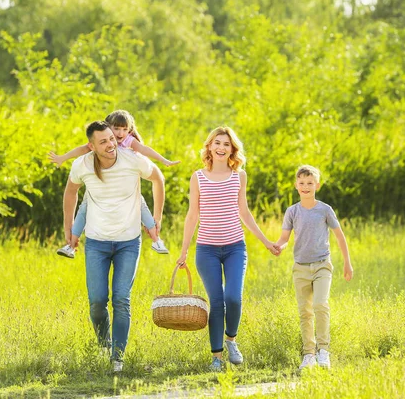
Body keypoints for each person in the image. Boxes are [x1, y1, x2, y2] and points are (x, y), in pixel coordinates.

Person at [63, 120, 165, 373]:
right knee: (97, 301)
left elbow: (158, 178)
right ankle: (103, 343)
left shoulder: (132, 159)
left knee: (121, 299)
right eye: (104, 141)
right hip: (96, 243)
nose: (111, 144)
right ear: (91, 146)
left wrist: (158, 216)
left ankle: (117, 358)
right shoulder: (83, 164)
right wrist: (68, 228)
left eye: (112, 138)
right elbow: (70, 192)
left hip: (128, 243)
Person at [176, 126, 278, 372]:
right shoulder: (198, 176)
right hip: (206, 250)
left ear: (232, 149)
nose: (221, 148)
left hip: (235, 248)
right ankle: (216, 357)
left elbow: (244, 212)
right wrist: (183, 251)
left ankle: (231, 339)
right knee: (217, 301)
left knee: (233, 297)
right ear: (209, 147)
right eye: (217, 143)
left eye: (226, 144)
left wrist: (266, 242)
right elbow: (192, 215)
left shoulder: (238, 176)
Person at [49, 110, 178, 257]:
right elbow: (82, 150)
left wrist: (164, 161)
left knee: (141, 206)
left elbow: (144, 150)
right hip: (98, 220)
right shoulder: (94, 150)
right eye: (116, 129)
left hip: (127, 193)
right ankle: (71, 245)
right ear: (108, 127)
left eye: (124, 129)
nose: (120, 134)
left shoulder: (129, 143)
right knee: (84, 208)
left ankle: (156, 240)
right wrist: (63, 158)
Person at [274, 165, 353, 370]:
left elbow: (339, 236)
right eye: (302, 183)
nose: (306, 186)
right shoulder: (292, 211)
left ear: (317, 185)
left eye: (310, 183)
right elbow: (284, 238)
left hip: (321, 265)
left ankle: (323, 351)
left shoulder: (324, 209)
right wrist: (279, 247)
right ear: (296, 186)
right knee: (304, 312)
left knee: (320, 304)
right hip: (300, 268)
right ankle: (309, 354)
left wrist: (347, 262)